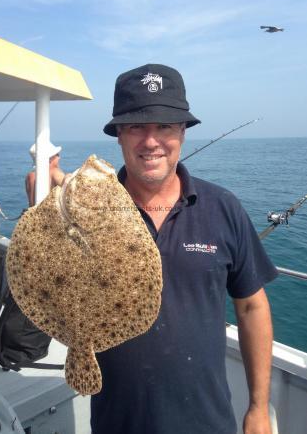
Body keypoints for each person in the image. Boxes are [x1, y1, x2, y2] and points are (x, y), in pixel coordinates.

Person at [91, 64, 278, 434]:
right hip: (117, 422)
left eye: (164, 126)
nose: (151, 140)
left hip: (206, 421)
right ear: (119, 136)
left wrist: (258, 407)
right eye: (136, 126)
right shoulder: (88, 211)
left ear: (182, 132)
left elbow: (252, 305)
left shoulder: (223, 207)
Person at [25, 141, 65, 207]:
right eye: (57, 155)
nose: (59, 158)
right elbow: (72, 192)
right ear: (49, 159)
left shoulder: (29, 176)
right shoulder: (55, 172)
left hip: (33, 216)